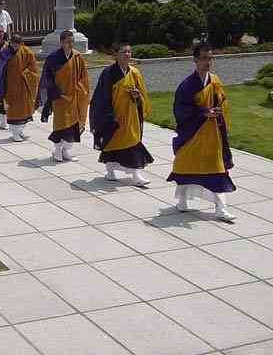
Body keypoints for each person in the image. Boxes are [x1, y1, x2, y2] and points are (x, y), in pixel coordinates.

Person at [167, 42, 236, 222]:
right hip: (193, 134)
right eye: (204, 58)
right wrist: (203, 112)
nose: (208, 62)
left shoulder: (215, 80)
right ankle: (182, 201)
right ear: (195, 60)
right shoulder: (187, 85)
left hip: (213, 134)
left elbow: (222, 101)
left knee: (217, 169)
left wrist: (219, 112)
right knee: (186, 165)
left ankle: (221, 209)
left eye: (210, 58)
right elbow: (180, 109)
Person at [89, 43, 154, 187]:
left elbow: (142, 95)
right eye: (123, 52)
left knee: (133, 142)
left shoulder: (135, 73)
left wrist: (137, 97)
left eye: (129, 52)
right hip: (115, 117)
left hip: (131, 116)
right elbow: (102, 97)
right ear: (116, 55)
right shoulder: (108, 73)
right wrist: (110, 117)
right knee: (113, 144)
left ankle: (136, 174)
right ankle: (110, 170)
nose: (127, 55)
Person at [37, 30, 89, 162]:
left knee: (73, 126)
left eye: (72, 42)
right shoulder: (53, 58)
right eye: (68, 42)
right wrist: (55, 91)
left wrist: (81, 89)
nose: (71, 44)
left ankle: (66, 150)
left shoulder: (77, 57)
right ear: (61, 43)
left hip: (75, 96)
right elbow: (47, 78)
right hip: (59, 97)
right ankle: (57, 150)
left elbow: (83, 77)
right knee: (61, 125)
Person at [0, 34, 38, 142]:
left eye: (17, 44)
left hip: (23, 86)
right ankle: (14, 133)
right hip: (10, 86)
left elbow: (33, 67)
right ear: (10, 43)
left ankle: (20, 131)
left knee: (24, 109)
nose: (15, 46)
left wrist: (26, 73)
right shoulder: (4, 54)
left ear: (21, 43)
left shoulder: (26, 52)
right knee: (13, 109)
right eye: (14, 44)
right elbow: (0, 72)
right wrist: (1, 87)